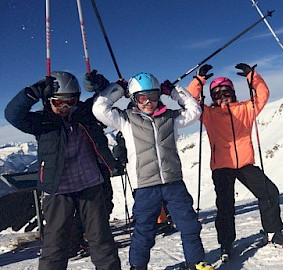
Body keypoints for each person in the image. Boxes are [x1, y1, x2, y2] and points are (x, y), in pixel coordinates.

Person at [92, 72, 213, 270]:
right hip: (145, 187)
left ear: (159, 96)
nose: (148, 102)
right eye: (141, 97)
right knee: (144, 231)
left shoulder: (170, 117)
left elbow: (194, 110)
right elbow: (99, 108)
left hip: (173, 182)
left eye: (153, 96)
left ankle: (196, 262)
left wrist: (174, 92)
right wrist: (117, 89)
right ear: (133, 98)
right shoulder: (126, 120)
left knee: (189, 224)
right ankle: (138, 266)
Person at [4, 71, 121, 270]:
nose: (66, 107)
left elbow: (105, 100)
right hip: (58, 190)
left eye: (71, 101)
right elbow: (13, 115)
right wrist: (31, 93)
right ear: (49, 100)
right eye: (59, 103)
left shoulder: (86, 114)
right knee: (55, 246)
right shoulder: (41, 122)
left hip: (91, 186)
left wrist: (101, 84)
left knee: (101, 240)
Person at [187, 63, 283, 261]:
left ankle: (273, 231)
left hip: (245, 164)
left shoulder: (246, 109)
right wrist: (198, 81)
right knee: (225, 207)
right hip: (222, 167)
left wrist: (252, 76)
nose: (222, 96)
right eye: (217, 93)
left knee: (269, 192)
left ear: (233, 92)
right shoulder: (209, 114)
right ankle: (226, 243)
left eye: (226, 91)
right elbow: (191, 103)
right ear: (212, 97)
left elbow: (262, 94)